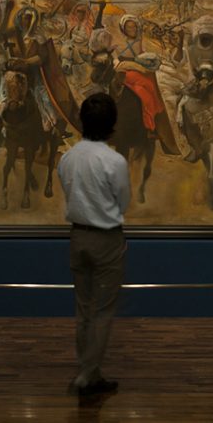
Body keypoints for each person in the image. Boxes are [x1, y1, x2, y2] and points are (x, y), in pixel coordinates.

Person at [58, 92, 130, 399]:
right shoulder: (114, 160)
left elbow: (67, 190)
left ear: (82, 121)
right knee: (102, 311)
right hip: (106, 238)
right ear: (112, 123)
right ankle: (87, 376)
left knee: (83, 309)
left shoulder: (68, 157)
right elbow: (123, 201)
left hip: (78, 236)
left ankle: (90, 371)